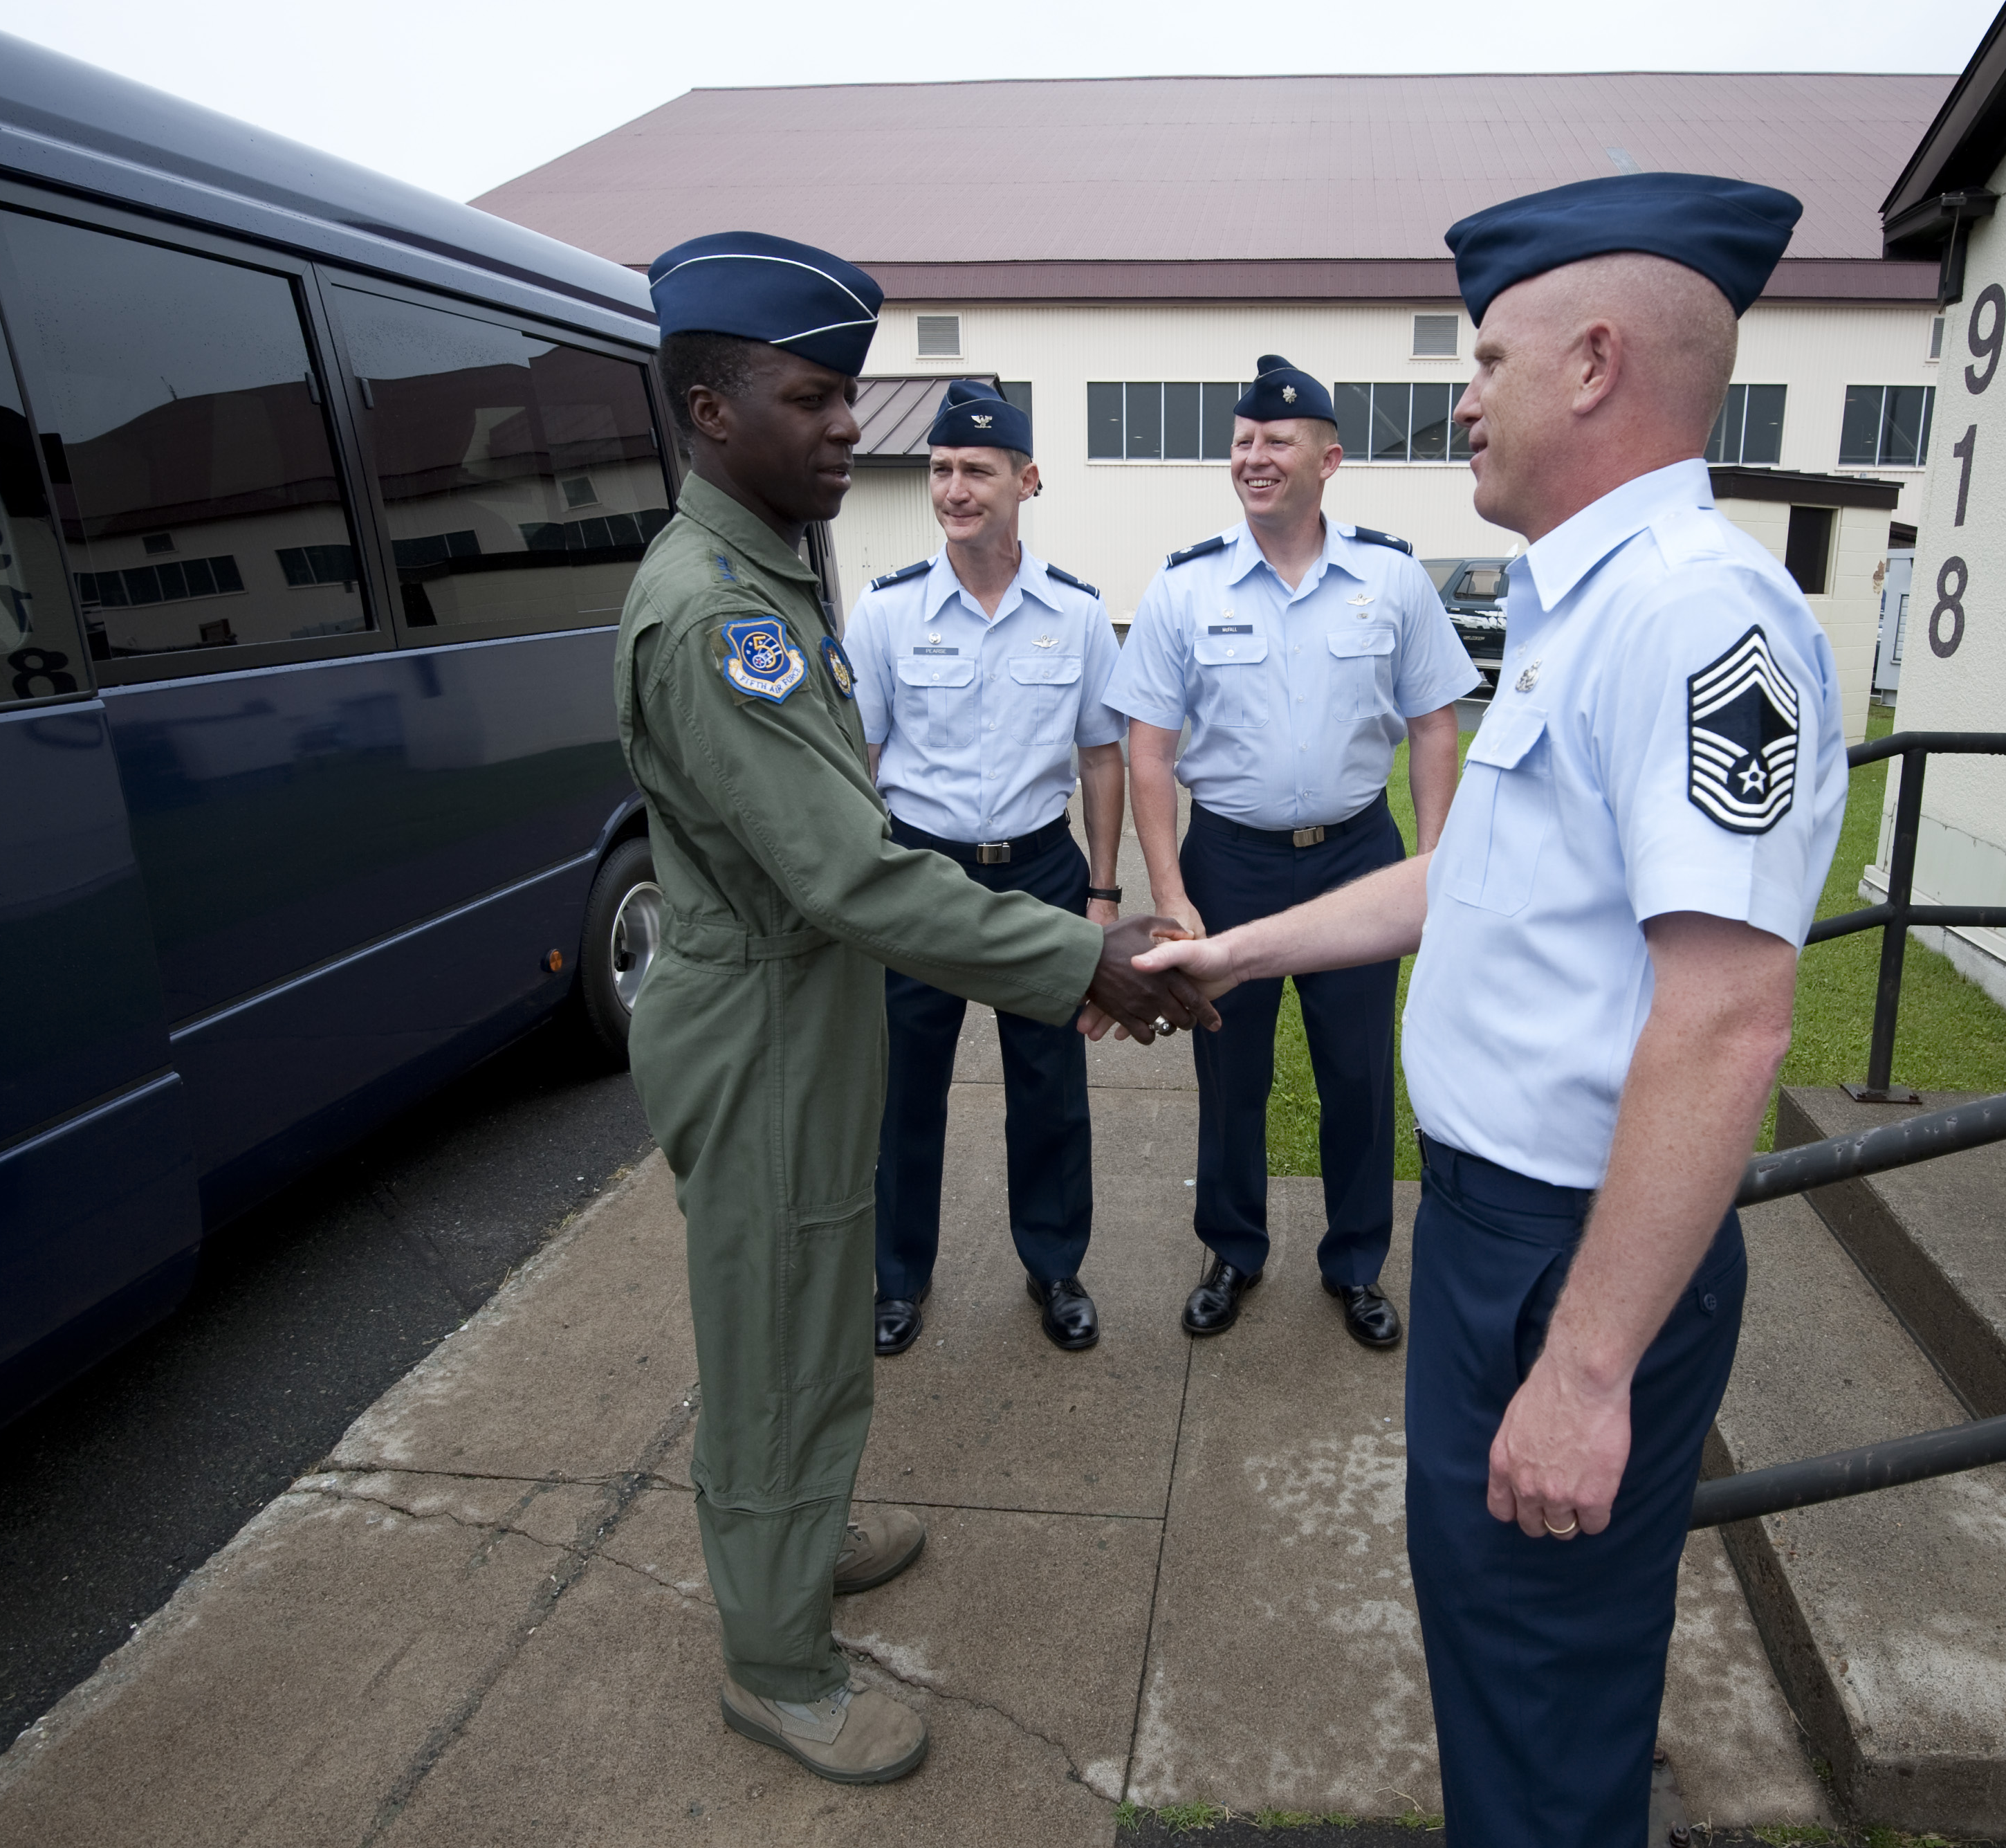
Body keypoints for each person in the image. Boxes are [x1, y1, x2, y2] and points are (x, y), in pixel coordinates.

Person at [1134, 175, 1846, 1848]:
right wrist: (1231, 955)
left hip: (1567, 1258)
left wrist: (1588, 1370)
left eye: (1487, 355)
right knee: (1497, 1650)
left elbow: (1729, 1017)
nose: (1461, 397)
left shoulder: (1691, 616)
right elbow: (1468, 880)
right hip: (1491, 1239)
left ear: (1594, 364)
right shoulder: (1576, 604)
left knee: (1541, 1684)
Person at [612, 231, 1215, 1789]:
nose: (845, 432)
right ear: (709, 409)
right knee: (770, 1334)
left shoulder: (763, 570)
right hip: (757, 1027)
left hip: (797, 1009)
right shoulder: (714, 616)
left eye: (848, 398)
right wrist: (1082, 959)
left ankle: (798, 1537)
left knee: (815, 1302)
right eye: (813, 399)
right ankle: (774, 1657)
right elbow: (850, 871)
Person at [1104, 355, 1478, 1349]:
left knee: (1358, 1073)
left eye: (1275, 442)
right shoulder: (1186, 588)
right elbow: (1148, 747)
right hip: (1232, 861)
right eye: (1241, 443)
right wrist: (1171, 891)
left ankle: (1355, 1263)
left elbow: (1436, 724)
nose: (1253, 458)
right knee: (1233, 1070)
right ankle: (1232, 1248)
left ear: (1329, 458)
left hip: (1360, 854)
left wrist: (1432, 868)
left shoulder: (1391, 579)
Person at [847, 381, 1128, 1356]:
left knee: (1049, 1083)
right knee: (903, 1085)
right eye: (941, 470)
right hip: (920, 872)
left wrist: (1101, 889)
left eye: (977, 470)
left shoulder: (1080, 616)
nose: (955, 489)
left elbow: (1101, 755)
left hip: (1041, 869)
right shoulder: (883, 614)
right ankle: (896, 1279)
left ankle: (1055, 1268)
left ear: (1026, 479)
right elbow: (861, 762)